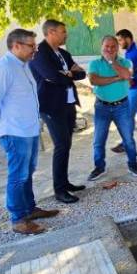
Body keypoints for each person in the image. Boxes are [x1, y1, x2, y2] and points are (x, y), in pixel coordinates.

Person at [0, 29, 59, 235]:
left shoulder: (24, 65)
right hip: (14, 130)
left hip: (29, 128)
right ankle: (18, 219)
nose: (35, 49)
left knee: (27, 172)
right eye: (31, 46)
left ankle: (30, 209)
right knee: (18, 175)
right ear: (16, 45)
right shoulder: (4, 67)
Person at [29, 19, 87, 203]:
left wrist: (69, 74)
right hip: (51, 107)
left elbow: (82, 73)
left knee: (66, 144)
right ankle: (59, 190)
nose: (66, 34)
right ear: (51, 32)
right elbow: (52, 76)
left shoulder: (63, 53)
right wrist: (69, 73)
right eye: (63, 31)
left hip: (68, 104)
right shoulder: (40, 54)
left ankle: (64, 182)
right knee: (61, 145)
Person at [87, 35, 137, 180]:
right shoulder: (94, 63)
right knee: (98, 140)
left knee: (128, 139)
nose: (110, 49)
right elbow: (94, 80)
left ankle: (133, 165)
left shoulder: (126, 62)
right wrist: (116, 78)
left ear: (117, 48)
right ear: (101, 47)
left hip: (122, 106)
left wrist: (112, 62)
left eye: (113, 46)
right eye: (107, 46)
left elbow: (126, 75)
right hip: (101, 107)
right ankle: (99, 167)